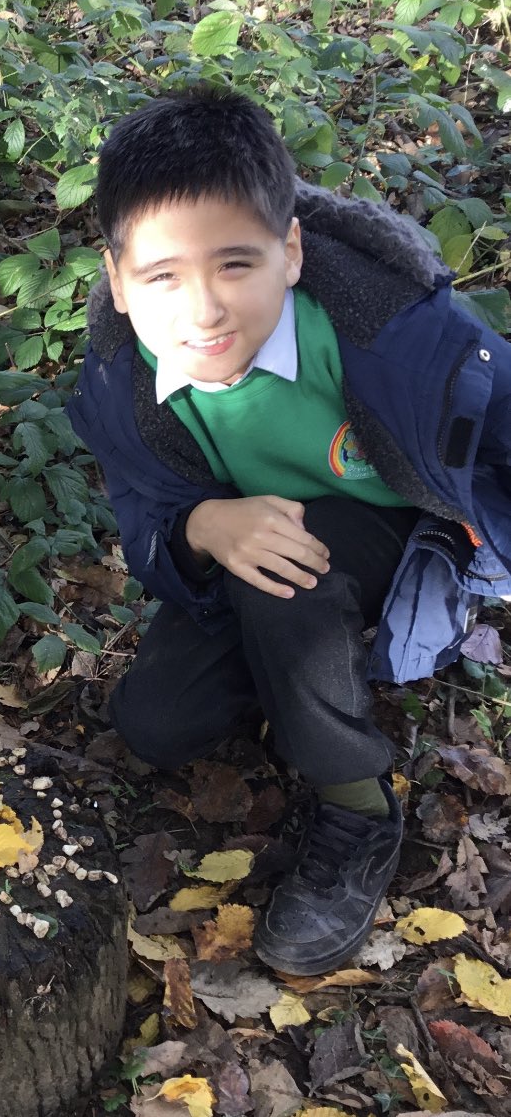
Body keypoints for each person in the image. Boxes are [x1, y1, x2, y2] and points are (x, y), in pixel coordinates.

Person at [67, 84, 511, 976]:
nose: (203, 311)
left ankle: (356, 805)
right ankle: (297, 667)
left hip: (400, 534)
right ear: (118, 280)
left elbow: (498, 429)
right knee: (157, 721)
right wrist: (200, 523)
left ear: (292, 250)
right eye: (162, 277)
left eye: (236, 264)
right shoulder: (123, 374)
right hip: (247, 536)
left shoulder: (393, 329)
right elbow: (146, 512)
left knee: (286, 577)